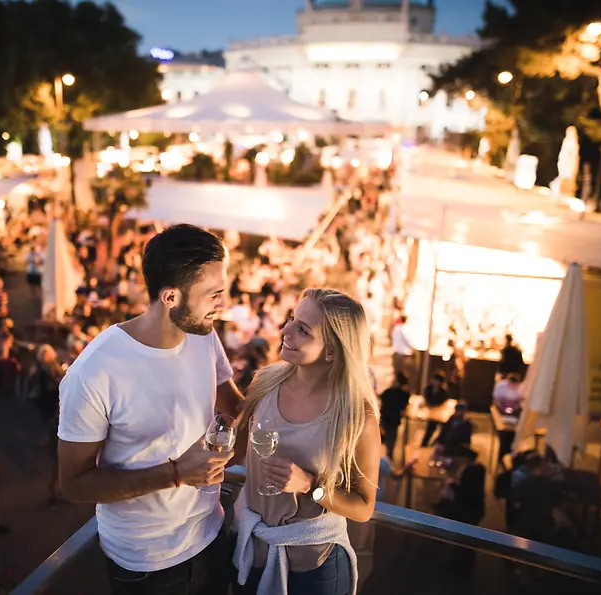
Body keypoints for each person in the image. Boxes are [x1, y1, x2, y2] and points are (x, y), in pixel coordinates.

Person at [57, 224, 244, 595]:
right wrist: (177, 473)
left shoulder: (203, 336)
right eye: (214, 294)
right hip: (146, 563)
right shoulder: (95, 370)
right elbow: (73, 484)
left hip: (212, 534)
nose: (222, 305)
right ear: (171, 297)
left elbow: (236, 407)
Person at [231, 288, 380, 595]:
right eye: (291, 320)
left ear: (332, 351)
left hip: (317, 565)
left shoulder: (356, 417)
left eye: (302, 329)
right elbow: (237, 449)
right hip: (254, 547)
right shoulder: (265, 382)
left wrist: (310, 485)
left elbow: (364, 508)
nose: (285, 331)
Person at [379, 372, 410, 460]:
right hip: (392, 421)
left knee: (384, 443)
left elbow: (382, 399)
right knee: (390, 445)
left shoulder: (390, 392)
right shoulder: (405, 394)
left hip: (386, 420)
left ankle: (386, 464)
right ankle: (388, 462)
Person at [420, 372, 449, 447]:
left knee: (443, 429)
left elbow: (443, 401)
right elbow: (426, 399)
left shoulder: (443, 391)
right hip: (429, 412)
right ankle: (424, 444)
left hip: (439, 413)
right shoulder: (428, 389)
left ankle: (434, 443)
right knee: (430, 428)